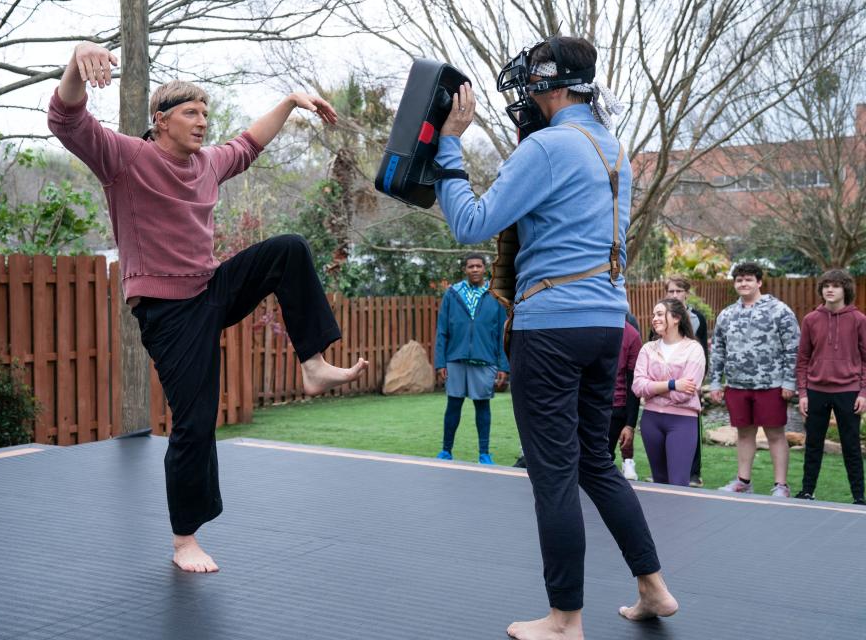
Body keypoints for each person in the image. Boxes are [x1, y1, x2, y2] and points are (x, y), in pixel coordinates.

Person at [48, 42, 367, 573]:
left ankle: (312, 364)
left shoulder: (207, 164)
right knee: (195, 423)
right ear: (161, 120)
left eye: (205, 113)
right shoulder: (127, 159)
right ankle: (184, 541)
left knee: (287, 248)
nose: (202, 123)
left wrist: (290, 101)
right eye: (191, 113)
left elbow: (248, 143)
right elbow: (67, 119)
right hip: (168, 312)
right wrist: (77, 59)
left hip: (210, 288)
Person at [435, 36, 677, 640]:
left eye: (531, 82)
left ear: (553, 84)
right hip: (605, 323)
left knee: (554, 473)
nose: (524, 92)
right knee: (597, 462)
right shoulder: (610, 147)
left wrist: (448, 146)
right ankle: (655, 590)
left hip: (552, 328)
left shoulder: (547, 147)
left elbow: (470, 222)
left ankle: (565, 619)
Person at [709, 262, 799, 498]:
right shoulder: (727, 314)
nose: (743, 283)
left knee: (776, 435)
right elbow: (718, 350)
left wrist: (790, 382)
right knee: (744, 434)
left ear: (759, 282)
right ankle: (743, 481)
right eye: (739, 280)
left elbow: (793, 348)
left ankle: (781, 486)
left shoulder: (779, 310)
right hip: (737, 385)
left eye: (748, 279)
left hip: (771, 385)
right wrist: (716, 382)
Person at [795, 269, 866, 504]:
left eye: (835, 285)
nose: (830, 289)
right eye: (826, 285)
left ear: (845, 289)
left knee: (851, 446)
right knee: (813, 444)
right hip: (816, 391)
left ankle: (859, 497)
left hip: (848, 391)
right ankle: (807, 491)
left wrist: (863, 393)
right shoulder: (811, 320)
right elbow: (803, 359)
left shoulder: (859, 320)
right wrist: (803, 393)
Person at [434, 253, 509, 464]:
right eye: (470, 266)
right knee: (453, 406)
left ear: (484, 269)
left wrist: (503, 365)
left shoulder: (495, 295)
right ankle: (446, 451)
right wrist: (440, 362)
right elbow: (442, 330)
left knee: (482, 407)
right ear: (465, 270)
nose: (474, 269)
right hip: (455, 359)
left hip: (485, 359)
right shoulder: (452, 294)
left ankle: (484, 454)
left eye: (478, 266)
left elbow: (502, 333)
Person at [632, 299, 706, 486]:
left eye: (659, 314)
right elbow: (637, 387)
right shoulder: (648, 349)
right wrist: (672, 384)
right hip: (651, 421)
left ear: (676, 318)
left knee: (678, 483)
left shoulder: (694, 349)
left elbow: (685, 394)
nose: (654, 319)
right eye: (654, 315)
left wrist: (652, 389)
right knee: (659, 482)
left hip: (682, 422)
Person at [664, 275, 709, 487]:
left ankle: (694, 474)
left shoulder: (697, 317)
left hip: (690, 381)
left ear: (686, 293)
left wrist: (698, 384)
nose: (675, 295)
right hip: (664, 383)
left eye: (678, 291)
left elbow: (703, 353)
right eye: (671, 291)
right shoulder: (659, 316)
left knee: (690, 427)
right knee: (663, 427)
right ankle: (665, 472)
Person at [610, 313, 641, 480]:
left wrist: (630, 424)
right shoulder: (589, 326)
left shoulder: (631, 335)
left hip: (615, 407)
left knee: (601, 458)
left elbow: (633, 382)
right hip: (585, 405)